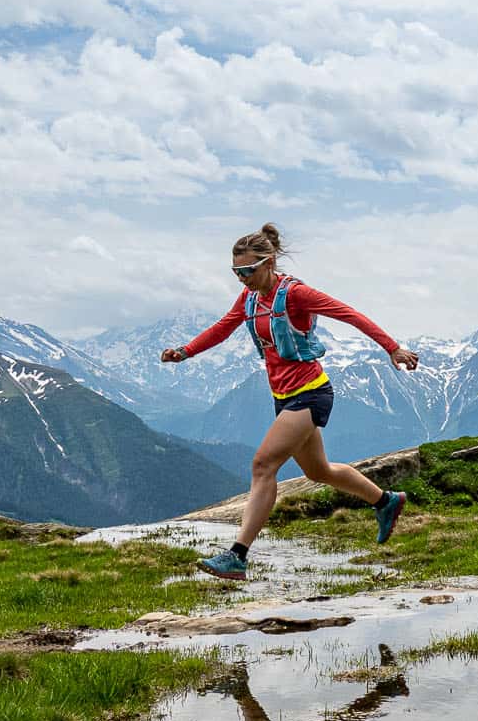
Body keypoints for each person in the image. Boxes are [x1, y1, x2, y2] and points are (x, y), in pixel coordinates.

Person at [161, 223, 419, 581]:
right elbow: (223, 327)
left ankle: (237, 556)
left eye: (248, 270)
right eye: (236, 272)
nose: (242, 278)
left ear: (268, 263)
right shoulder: (250, 298)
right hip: (283, 396)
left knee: (262, 466)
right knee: (319, 472)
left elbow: (349, 313)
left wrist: (393, 348)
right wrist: (184, 352)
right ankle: (386, 501)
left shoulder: (296, 295)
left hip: (310, 393)